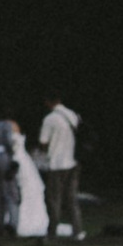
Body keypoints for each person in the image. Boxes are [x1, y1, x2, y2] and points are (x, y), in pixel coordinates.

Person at [38, 99, 81, 237]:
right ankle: (77, 230)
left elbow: (43, 141)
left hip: (57, 163)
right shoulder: (72, 115)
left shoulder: (50, 119)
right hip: (73, 161)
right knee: (72, 198)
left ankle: (53, 230)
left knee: (54, 199)